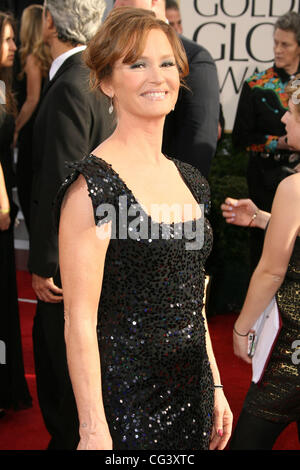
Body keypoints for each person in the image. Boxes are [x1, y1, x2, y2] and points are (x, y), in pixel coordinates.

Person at [57, 6, 232, 451]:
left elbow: (194, 298)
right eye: (137, 64)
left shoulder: (192, 181)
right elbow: (78, 319)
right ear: (106, 82)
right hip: (127, 408)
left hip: (192, 396)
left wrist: (214, 385)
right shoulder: (92, 188)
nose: (158, 76)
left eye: (167, 63)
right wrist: (93, 428)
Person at [28, 0, 114, 450]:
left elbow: (61, 181)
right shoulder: (92, 77)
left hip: (69, 259)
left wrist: (45, 262)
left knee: (61, 374)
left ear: (48, 22)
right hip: (95, 245)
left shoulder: (71, 85)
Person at [221, 77, 300, 450]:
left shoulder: (294, 189)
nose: (284, 119)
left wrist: (241, 328)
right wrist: (265, 219)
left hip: (293, 352)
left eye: (294, 113)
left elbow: (271, 271)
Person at [114, 0, 220, 179]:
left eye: (167, 64)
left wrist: (172, 197)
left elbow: (197, 144)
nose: (117, 4)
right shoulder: (112, 52)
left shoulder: (194, 57)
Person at [232, 11, 300, 273]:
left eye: (285, 44)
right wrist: (278, 143)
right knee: (261, 246)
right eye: (275, 43)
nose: (278, 50)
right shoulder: (256, 84)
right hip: (263, 179)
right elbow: (240, 138)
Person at [0, 11, 32, 418]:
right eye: (7, 40)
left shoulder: (3, 87)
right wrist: (4, 203)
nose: (14, 47)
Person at [14, 4, 52, 232]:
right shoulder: (45, 56)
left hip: (31, 133)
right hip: (41, 130)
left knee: (28, 188)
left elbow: (31, 99)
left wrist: (16, 127)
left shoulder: (32, 58)